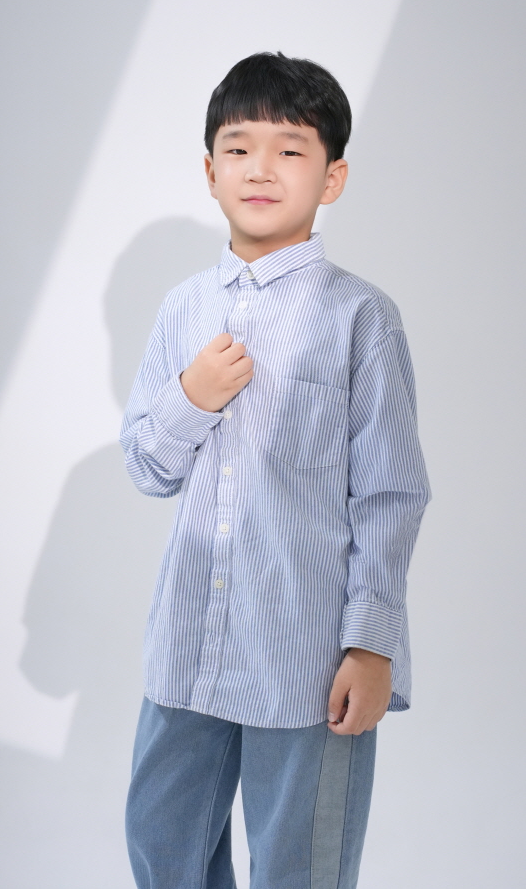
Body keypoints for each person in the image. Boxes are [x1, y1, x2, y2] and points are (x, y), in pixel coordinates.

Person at [120, 50, 431, 889]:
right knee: (161, 843)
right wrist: (190, 397)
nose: (260, 168)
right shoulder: (183, 309)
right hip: (187, 649)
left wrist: (371, 646)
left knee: (302, 867)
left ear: (332, 177)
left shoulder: (361, 317)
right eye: (239, 147)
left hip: (305, 659)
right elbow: (147, 467)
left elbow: (391, 494)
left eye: (290, 149)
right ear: (210, 172)